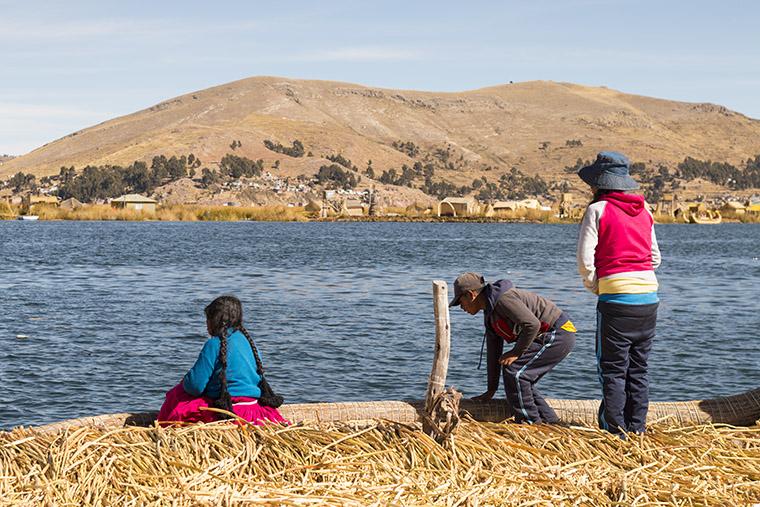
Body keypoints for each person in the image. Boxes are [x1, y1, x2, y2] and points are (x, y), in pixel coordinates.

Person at [576, 151, 661, 435]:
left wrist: (598, 286)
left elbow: (585, 261)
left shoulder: (597, 210)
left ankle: (615, 430)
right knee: (639, 368)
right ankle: (637, 428)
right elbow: (655, 257)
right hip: (649, 299)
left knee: (612, 369)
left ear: (599, 183)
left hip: (616, 300)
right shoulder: (645, 210)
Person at [451, 272, 576, 424]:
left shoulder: (504, 300)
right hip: (546, 335)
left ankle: (530, 423)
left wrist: (516, 352)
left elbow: (532, 325)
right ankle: (551, 422)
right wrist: (492, 389)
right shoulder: (490, 314)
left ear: (471, 295)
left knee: (516, 372)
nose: (461, 307)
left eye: (460, 302)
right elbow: (494, 352)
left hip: (558, 333)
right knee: (521, 379)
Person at [158, 295, 288, 425]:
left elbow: (195, 386)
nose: (206, 325)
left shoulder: (214, 344)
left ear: (215, 321)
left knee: (177, 394)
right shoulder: (250, 344)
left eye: (207, 319)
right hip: (253, 409)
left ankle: (164, 430)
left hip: (227, 411)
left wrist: (185, 382)